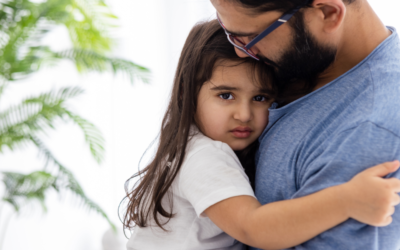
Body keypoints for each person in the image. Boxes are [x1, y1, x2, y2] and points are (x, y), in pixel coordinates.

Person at [122, 20, 400, 250]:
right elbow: (252, 227)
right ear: (188, 94)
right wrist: (346, 201)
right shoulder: (205, 157)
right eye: (226, 95)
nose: (243, 114)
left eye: (260, 97)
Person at [211, 0, 400, 249]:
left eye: (252, 36)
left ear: (328, 13)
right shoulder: (302, 59)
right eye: (227, 29)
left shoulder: (365, 129)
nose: (239, 51)